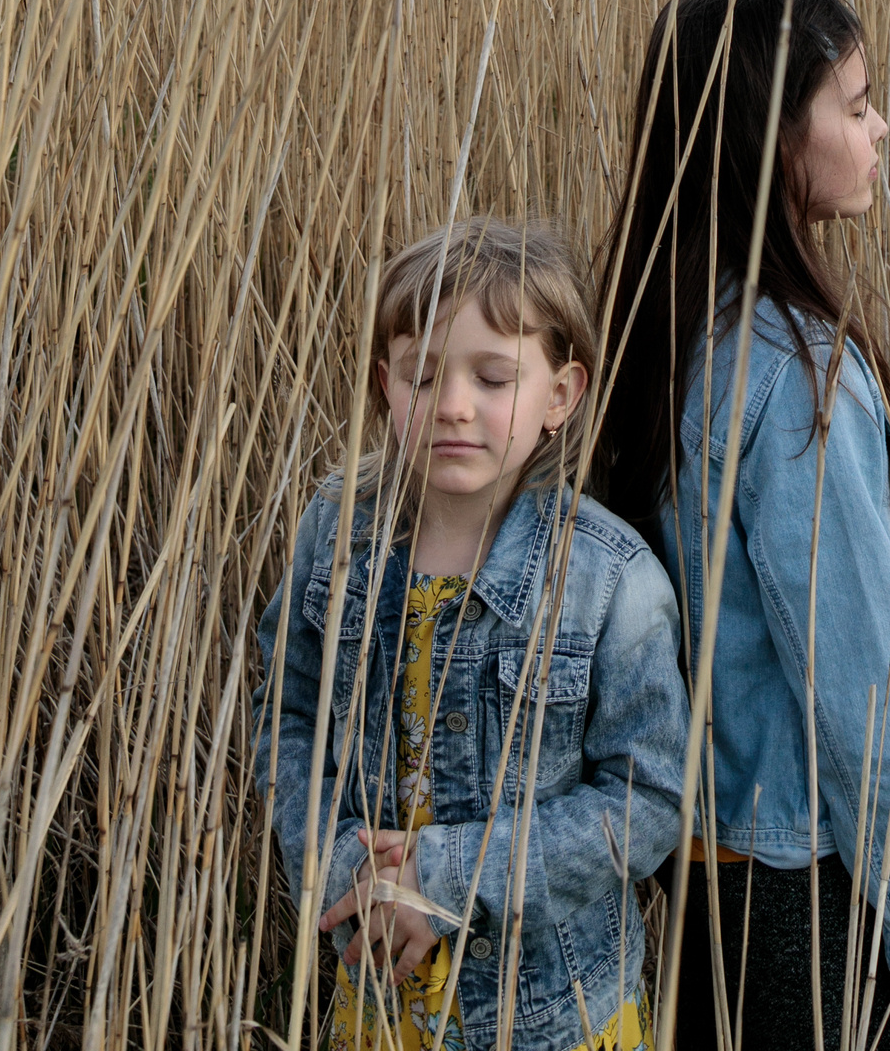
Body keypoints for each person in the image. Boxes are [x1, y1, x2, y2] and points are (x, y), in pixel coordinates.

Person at [594, 0, 890, 1048]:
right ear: (770, 139)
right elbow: (861, 687)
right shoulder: (799, 379)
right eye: (853, 107)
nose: (880, 127)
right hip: (798, 878)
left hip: (692, 852)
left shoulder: (656, 326)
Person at [255, 217, 689, 1051]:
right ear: (384, 384)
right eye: (421, 376)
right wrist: (348, 869)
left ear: (559, 396)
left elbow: (648, 799)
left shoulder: (607, 578)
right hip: (381, 1000)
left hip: (552, 1016)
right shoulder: (338, 534)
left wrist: (447, 876)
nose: (452, 406)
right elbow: (289, 714)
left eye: (493, 379)